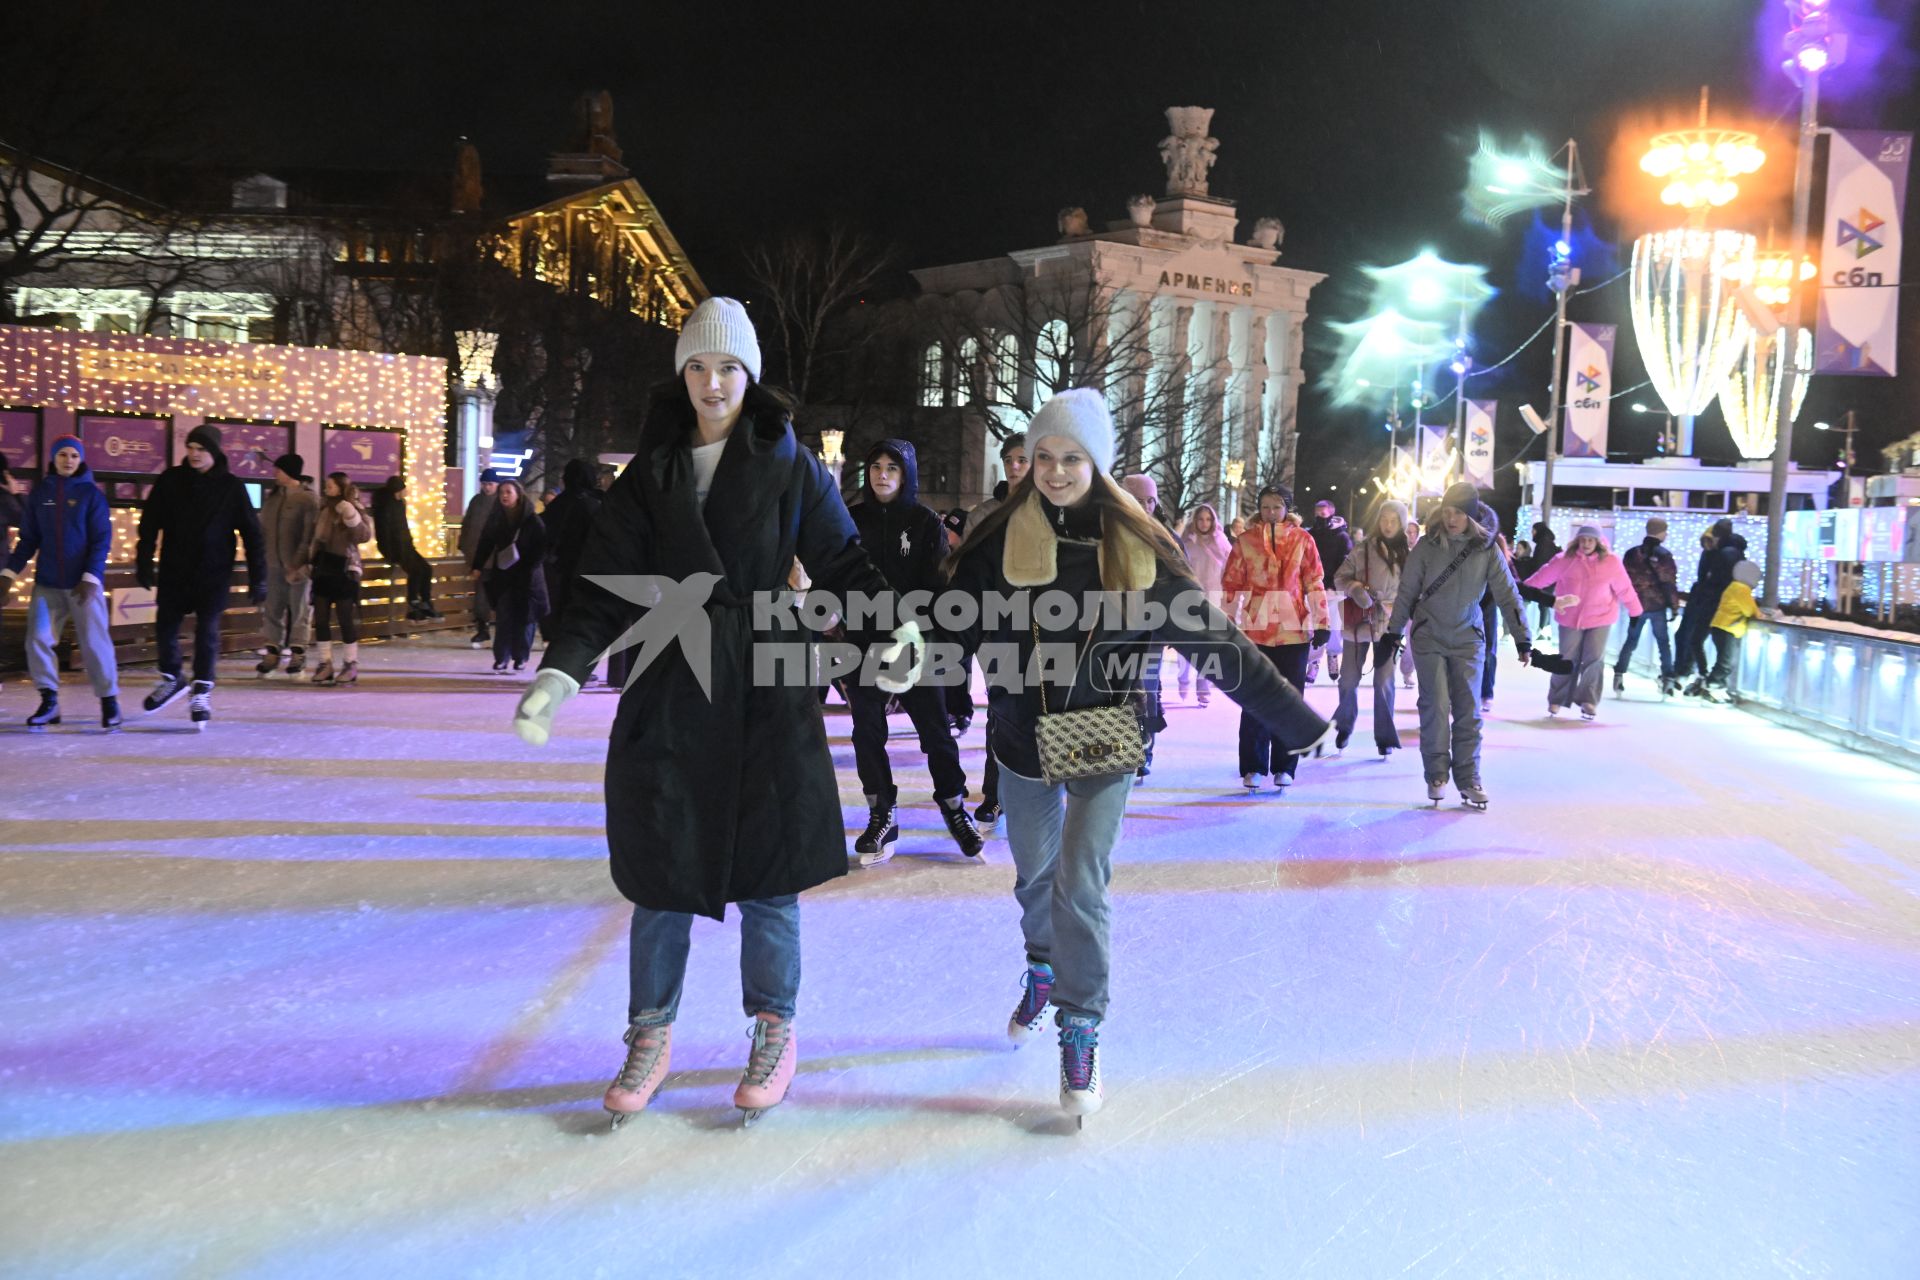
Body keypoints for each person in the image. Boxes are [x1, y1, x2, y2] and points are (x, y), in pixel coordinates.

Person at [508, 297, 918, 1128]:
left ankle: (774, 1027)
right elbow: (599, 588)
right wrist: (558, 673)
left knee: (770, 875)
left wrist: (895, 623)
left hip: (766, 681)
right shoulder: (651, 470)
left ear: (751, 375)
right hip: (671, 681)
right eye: (697, 366)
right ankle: (650, 1033)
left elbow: (841, 558)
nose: (712, 382)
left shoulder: (788, 461)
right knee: (663, 870)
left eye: (728, 367)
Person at [941, 389, 1333, 1119]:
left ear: (1098, 462)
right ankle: (1042, 969)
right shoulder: (999, 537)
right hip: (1023, 739)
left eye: (1073, 458)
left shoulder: (1141, 544)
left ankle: (1080, 1024)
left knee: (1079, 882)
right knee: (1034, 877)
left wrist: (1293, 718)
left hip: (1105, 737)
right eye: (1046, 457)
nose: (1056, 471)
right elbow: (953, 621)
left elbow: (1215, 643)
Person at [843, 439, 981, 861]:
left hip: (913, 641)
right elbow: (840, 575)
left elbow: (938, 585)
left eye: (892, 468)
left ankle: (956, 807)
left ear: (906, 475)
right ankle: (881, 812)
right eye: (876, 466)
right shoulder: (852, 518)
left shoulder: (923, 521)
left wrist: (922, 632)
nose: (882, 474)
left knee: (935, 730)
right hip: (863, 640)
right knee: (867, 730)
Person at [1381, 500, 1531, 807]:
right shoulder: (1427, 546)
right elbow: (1407, 590)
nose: (1451, 519)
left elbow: (1507, 593)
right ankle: (1436, 774)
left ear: (1471, 517)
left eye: (1459, 513)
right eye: (1447, 512)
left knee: (1468, 710)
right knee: (1434, 705)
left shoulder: (1486, 549)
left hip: (1468, 637)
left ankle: (1469, 777)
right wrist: (1393, 631)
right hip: (1429, 634)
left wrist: (1523, 639)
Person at [135, 424, 266, 728]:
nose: (194, 454)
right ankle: (172, 678)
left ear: (214, 452)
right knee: (166, 628)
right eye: (191, 447)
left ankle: (202, 689)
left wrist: (259, 576)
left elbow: (252, 534)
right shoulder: (170, 480)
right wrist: (144, 561)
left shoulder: (231, 487)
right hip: (175, 569)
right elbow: (149, 524)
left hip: (213, 572)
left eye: (201, 449)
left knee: (207, 631)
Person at [2, 436, 121, 728]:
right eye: (63, 455)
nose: (68, 460)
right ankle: (49, 701)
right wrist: (7, 576)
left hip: (83, 585)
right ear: (53, 459)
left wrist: (91, 577)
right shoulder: (41, 494)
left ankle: (109, 702)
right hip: (48, 583)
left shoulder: (92, 496)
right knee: (37, 640)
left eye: (73, 456)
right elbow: (28, 540)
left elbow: (100, 541)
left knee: (95, 643)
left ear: (80, 460)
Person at [1221, 483, 1329, 791]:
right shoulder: (1246, 541)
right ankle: (1253, 765)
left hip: (1293, 632)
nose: (1271, 512)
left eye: (1277, 507)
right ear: (1259, 508)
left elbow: (1314, 581)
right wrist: (1226, 623)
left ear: (1288, 509)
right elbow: (1231, 584)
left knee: (1289, 700)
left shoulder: (1303, 540)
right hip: (1256, 630)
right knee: (1254, 697)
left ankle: (1285, 766)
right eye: (1266, 506)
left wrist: (1321, 620)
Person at [967, 433, 1030, 826]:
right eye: (1009, 459)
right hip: (997, 625)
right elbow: (967, 571)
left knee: (1041, 708)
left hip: (1045, 626)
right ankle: (995, 793)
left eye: (1022, 459)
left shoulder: (1053, 510)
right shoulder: (985, 513)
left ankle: (1033, 785)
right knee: (1002, 709)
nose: (1015, 466)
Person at [1523, 524, 1642, 719]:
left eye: (1590, 540)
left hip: (1601, 618)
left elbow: (1625, 589)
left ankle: (1588, 701)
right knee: (1565, 659)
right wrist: (1519, 590)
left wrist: (1635, 612)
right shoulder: (1564, 560)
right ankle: (1557, 699)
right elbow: (1541, 578)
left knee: (1594, 659)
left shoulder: (1611, 562)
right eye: (1583, 539)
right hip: (1570, 617)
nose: (1586, 544)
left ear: (1598, 542)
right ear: (1578, 541)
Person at [1331, 499, 1411, 757]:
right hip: (1360, 622)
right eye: (1384, 519)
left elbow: (1416, 588)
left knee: (1384, 681)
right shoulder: (1363, 549)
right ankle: (1344, 724)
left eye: (1393, 520)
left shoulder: (1410, 553)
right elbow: (1340, 577)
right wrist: (1355, 590)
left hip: (1390, 625)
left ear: (1402, 523)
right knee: (1349, 679)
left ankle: (1385, 736)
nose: (1388, 525)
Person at [1439, 482, 1511, 714]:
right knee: (1455, 652)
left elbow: (1510, 581)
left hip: (1486, 605)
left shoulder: (1494, 543)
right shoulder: (1451, 540)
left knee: (1488, 649)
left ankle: (1485, 691)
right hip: (1457, 605)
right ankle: (1455, 693)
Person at [1118, 474, 1172, 782]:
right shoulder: (1108, 530)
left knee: (1147, 688)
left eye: (1150, 500)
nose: (1146, 506)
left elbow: (1180, 580)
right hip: (1113, 626)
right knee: (1117, 689)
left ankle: (1143, 750)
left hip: (1149, 626)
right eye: (1139, 500)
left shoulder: (1162, 535)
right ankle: (1121, 748)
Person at [471, 479, 548, 673]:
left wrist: (530, 566)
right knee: (504, 616)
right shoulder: (496, 518)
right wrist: (477, 565)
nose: (504, 496)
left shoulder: (531, 519)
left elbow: (542, 547)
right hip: (505, 575)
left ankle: (521, 657)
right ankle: (501, 658)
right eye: (501, 492)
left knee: (525, 618)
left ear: (518, 495)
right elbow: (486, 542)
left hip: (527, 577)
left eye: (508, 492)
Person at [308, 472, 374, 686]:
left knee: (345, 617)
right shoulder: (324, 509)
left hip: (346, 569)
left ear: (341, 487)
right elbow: (315, 538)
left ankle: (350, 663)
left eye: (331, 485)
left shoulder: (352, 506)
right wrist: (305, 561)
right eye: (326, 485)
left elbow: (364, 535)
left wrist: (350, 515)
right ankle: (324, 663)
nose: (327, 488)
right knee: (321, 618)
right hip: (323, 568)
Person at [255, 453, 317, 678]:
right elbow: (264, 528)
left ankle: (298, 652)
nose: (274, 473)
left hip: (297, 567)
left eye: (278, 470)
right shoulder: (274, 497)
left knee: (299, 610)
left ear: (289, 472)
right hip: (273, 563)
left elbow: (309, 535)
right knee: (273, 609)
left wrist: (299, 564)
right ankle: (272, 651)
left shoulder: (308, 499)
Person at [540, 458, 604, 661]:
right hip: (584, 571)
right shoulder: (594, 504)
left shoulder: (557, 505)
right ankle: (572, 662)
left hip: (556, 569)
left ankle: (554, 659)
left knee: (559, 617)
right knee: (580, 620)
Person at [1615, 516, 1680, 696]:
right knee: (1663, 643)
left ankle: (1619, 674)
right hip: (1657, 605)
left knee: (1631, 640)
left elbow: (1623, 578)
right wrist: (1674, 606)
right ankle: (1668, 678)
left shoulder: (1631, 554)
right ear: (1661, 532)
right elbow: (1669, 582)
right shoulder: (1664, 555)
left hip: (1636, 604)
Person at [1676, 519, 1746, 685]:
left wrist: (1706, 590)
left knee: (1699, 640)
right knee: (1715, 645)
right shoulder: (1732, 553)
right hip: (1720, 605)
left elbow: (1713, 580)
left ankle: (1703, 676)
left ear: (1716, 536)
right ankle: (1705, 676)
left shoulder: (1722, 555)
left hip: (1713, 604)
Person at [1176, 503, 1231, 705]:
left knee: (1209, 643)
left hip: (1214, 597)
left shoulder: (1222, 542)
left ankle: (1203, 683)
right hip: (1190, 597)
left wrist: (1229, 597)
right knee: (1187, 641)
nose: (1204, 523)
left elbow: (1229, 569)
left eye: (1208, 519)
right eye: (1200, 519)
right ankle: (1183, 677)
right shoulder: (1186, 542)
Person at [371, 475, 440, 621]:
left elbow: (403, 527)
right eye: (404, 488)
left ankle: (425, 602)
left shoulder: (400, 503)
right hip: (395, 548)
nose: (406, 491)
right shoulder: (386, 506)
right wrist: (389, 553)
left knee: (427, 569)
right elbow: (384, 530)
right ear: (398, 490)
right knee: (415, 571)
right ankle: (413, 603)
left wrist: (410, 543)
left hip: (406, 545)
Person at [1692, 559, 1761, 702]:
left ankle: (1717, 687)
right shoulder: (1741, 588)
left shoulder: (1734, 586)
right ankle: (1712, 685)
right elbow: (1749, 610)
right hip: (1727, 628)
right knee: (1726, 662)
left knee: (1725, 661)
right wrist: (1760, 614)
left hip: (1723, 626)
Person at [1305, 498, 1352, 685]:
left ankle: (1333, 657)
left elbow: (1346, 563)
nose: (1320, 517)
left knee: (1334, 628)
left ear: (1332, 513)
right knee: (1314, 628)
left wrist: (1335, 583)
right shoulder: (1310, 535)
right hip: (1313, 589)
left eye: (1324, 513)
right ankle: (1313, 662)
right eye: (1318, 513)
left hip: (1334, 591)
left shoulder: (1341, 537)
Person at [459, 468, 500, 649]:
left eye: (490, 484)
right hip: (480, 559)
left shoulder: (501, 501)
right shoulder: (476, 501)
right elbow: (467, 524)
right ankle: (482, 629)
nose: (487, 487)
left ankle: (503, 631)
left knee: (500, 596)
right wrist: (464, 546)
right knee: (481, 596)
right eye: (484, 484)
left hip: (499, 560)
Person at [1513, 522, 1561, 639]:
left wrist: (1529, 569)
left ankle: (1543, 629)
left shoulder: (1543, 544)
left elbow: (1539, 563)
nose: (1532, 533)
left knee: (1544, 603)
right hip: (1550, 579)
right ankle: (1545, 629)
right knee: (1544, 604)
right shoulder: (1546, 543)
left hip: (1546, 579)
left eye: (1533, 531)